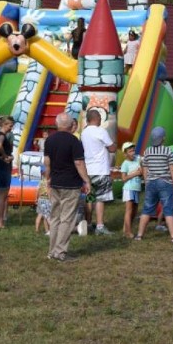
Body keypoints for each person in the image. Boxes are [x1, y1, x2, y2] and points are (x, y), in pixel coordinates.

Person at [44, 112, 91, 262]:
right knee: (67, 219)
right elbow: (79, 163)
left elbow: (47, 161)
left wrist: (48, 179)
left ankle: (52, 251)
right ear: (72, 125)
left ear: (57, 124)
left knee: (55, 217)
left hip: (55, 182)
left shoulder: (49, 140)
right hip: (70, 184)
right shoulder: (74, 141)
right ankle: (60, 252)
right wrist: (87, 180)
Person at [133, 127, 173, 243]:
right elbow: (172, 170)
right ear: (163, 138)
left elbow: (145, 169)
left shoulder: (147, 151)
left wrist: (146, 183)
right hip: (165, 182)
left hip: (151, 183)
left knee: (147, 209)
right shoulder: (168, 151)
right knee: (168, 210)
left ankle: (139, 235)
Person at [80, 109, 117, 235]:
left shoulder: (84, 132)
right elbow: (112, 148)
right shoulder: (101, 131)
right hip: (100, 169)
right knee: (101, 198)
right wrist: (114, 144)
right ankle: (100, 226)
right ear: (97, 118)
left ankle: (88, 223)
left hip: (88, 170)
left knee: (90, 198)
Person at [0, 116, 15, 229]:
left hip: (0, 165)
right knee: (2, 194)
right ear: (5, 125)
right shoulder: (1, 135)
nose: (11, 128)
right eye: (10, 126)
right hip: (3, 165)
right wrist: (5, 156)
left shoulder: (0, 135)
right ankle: (0, 222)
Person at [119, 141, 142, 239]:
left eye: (133, 150)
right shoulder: (125, 164)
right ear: (125, 154)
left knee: (135, 210)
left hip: (136, 188)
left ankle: (126, 229)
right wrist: (135, 174)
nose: (133, 153)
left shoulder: (138, 159)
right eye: (130, 151)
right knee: (129, 210)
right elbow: (123, 179)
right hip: (128, 188)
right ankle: (128, 232)